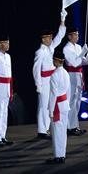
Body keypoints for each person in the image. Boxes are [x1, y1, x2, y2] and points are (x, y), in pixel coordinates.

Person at [32, 10, 67, 139]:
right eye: (48, 37)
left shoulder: (51, 47)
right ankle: (42, 130)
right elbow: (36, 70)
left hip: (52, 79)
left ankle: (46, 128)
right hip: (44, 80)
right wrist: (38, 85)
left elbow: (60, 36)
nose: (51, 39)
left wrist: (62, 19)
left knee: (49, 104)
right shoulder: (40, 52)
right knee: (43, 105)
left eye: (51, 37)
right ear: (43, 39)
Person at [62, 26, 88, 136]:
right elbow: (73, 63)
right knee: (71, 101)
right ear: (69, 36)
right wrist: (82, 54)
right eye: (75, 35)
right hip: (71, 74)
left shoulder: (78, 47)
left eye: (77, 34)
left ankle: (75, 125)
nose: (77, 36)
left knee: (78, 100)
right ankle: (69, 126)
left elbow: (85, 62)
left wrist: (86, 55)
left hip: (79, 74)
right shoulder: (66, 48)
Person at [45, 47, 70, 164]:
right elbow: (68, 91)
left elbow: (53, 94)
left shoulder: (54, 75)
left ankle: (58, 156)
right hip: (64, 104)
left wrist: (50, 110)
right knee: (63, 131)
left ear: (55, 60)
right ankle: (62, 154)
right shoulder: (66, 73)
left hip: (57, 106)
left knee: (56, 132)